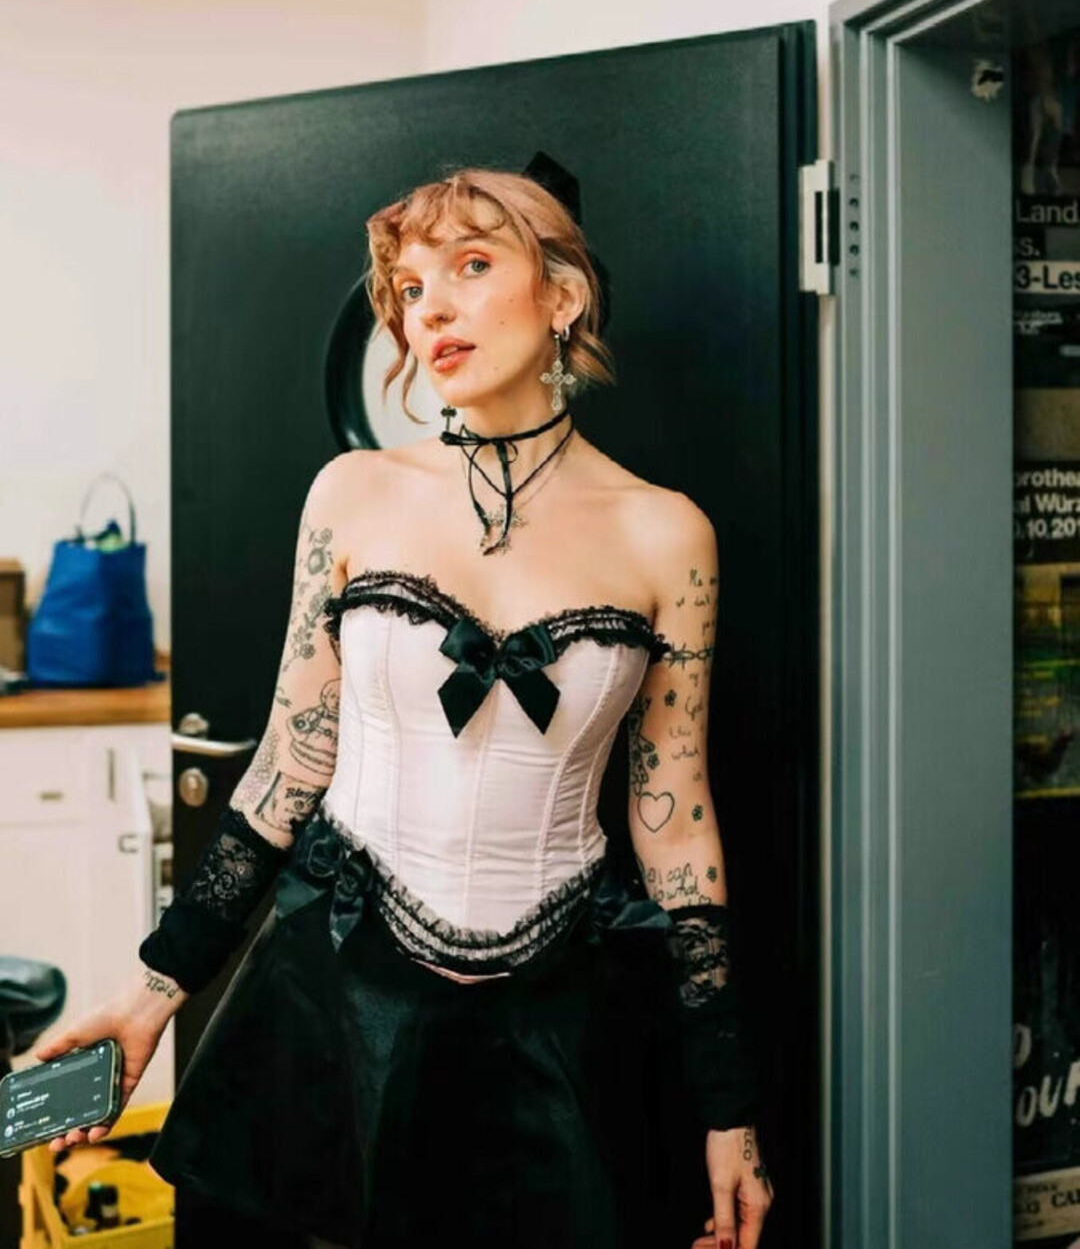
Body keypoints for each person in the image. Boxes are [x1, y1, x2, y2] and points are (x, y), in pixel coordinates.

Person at [35, 165, 775, 1249]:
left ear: (563, 296)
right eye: (412, 288)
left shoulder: (668, 534)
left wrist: (729, 1103)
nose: (431, 308)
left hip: (563, 1021)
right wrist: (151, 995)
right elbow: (288, 766)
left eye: (471, 266)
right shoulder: (354, 495)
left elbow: (678, 825)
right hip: (334, 998)